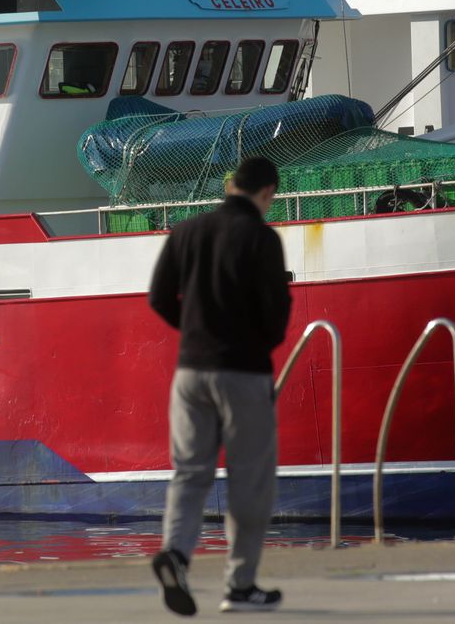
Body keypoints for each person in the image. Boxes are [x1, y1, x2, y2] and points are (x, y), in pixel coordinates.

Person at [147, 156, 292, 615]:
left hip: (190, 372)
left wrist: (193, 332)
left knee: (189, 473)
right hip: (243, 372)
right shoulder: (262, 238)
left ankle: (176, 554)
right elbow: (276, 315)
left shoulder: (186, 231)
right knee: (249, 480)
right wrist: (254, 343)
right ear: (267, 193)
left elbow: (157, 297)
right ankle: (240, 585)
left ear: (230, 186)